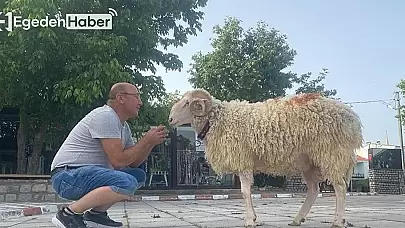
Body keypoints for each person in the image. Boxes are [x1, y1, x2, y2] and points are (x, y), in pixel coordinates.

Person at [50, 82, 167, 228]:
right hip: (67, 176)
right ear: (121, 98)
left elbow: (133, 163)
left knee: (138, 175)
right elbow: (118, 161)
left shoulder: (123, 125)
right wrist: (145, 140)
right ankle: (68, 214)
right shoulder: (106, 116)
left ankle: (96, 215)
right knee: (127, 182)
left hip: (83, 175)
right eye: (136, 96)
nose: (140, 102)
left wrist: (150, 143)